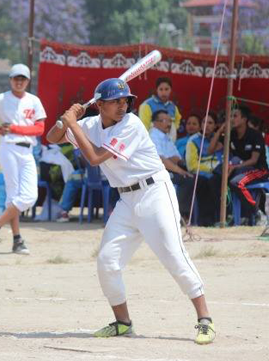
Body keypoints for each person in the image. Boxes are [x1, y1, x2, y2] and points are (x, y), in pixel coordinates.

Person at [47, 78, 215, 345]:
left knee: (174, 256)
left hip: (154, 193)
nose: (123, 105)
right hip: (125, 200)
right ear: (99, 105)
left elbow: (95, 157)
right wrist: (65, 119)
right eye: (116, 101)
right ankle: (123, 323)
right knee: (107, 261)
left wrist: (74, 123)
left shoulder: (132, 124)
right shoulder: (90, 124)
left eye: (126, 100)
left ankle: (205, 319)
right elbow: (52, 137)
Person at [0, 64, 47, 255]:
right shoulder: (1, 98)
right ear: (10, 80)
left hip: (27, 150)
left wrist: (14, 128)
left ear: (28, 81)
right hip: (9, 148)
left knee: (29, 196)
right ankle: (17, 240)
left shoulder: (34, 101)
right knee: (14, 196)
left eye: (23, 78)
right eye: (16, 78)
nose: (19, 82)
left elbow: (40, 129)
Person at [208, 105, 269, 222]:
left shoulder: (255, 135)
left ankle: (258, 213)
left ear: (244, 119)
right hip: (239, 170)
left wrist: (234, 166)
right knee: (213, 180)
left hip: (258, 170)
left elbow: (254, 160)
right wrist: (220, 130)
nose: (231, 119)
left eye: (235, 116)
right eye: (230, 116)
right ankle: (227, 215)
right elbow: (210, 150)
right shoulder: (231, 134)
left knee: (236, 183)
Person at [149, 110, 195, 221]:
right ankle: (180, 215)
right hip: (157, 172)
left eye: (170, 121)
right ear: (155, 123)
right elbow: (161, 159)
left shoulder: (164, 136)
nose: (169, 124)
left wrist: (186, 165)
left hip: (169, 169)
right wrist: (181, 171)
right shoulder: (153, 135)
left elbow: (174, 157)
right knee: (186, 179)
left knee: (197, 177)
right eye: (165, 120)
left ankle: (198, 216)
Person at [185, 112, 223, 226]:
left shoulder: (220, 140)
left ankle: (223, 216)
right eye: (204, 122)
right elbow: (191, 165)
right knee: (205, 182)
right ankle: (206, 221)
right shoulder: (193, 141)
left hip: (219, 173)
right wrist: (210, 170)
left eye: (210, 123)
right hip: (201, 173)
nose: (206, 125)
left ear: (216, 126)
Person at [138, 76, 182, 141]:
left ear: (171, 90)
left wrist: (172, 131)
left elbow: (177, 122)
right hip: (151, 142)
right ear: (157, 90)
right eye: (161, 89)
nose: (164, 92)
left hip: (169, 143)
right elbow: (144, 128)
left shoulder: (173, 107)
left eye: (166, 89)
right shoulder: (147, 105)